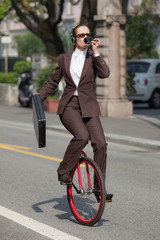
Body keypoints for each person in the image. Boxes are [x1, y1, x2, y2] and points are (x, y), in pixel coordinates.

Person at [40, 24, 113, 202]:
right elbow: (53, 81)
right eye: (81, 35)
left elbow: (105, 74)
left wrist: (96, 53)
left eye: (88, 34)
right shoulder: (64, 58)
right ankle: (63, 170)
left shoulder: (93, 58)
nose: (86, 38)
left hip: (88, 106)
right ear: (74, 38)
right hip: (69, 106)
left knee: (101, 144)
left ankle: (98, 188)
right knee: (82, 136)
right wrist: (38, 97)